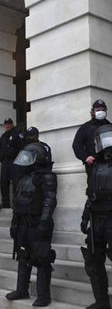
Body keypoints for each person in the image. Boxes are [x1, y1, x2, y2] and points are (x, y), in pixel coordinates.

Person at [6, 142, 57, 307]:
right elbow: (17, 202)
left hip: (37, 224)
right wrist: (14, 223)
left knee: (42, 259)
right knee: (23, 257)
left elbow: (49, 201)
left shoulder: (47, 177)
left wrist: (44, 222)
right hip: (23, 224)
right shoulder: (24, 178)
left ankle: (44, 295)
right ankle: (22, 290)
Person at [80, 124, 112, 309]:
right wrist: (85, 217)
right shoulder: (95, 167)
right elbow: (90, 194)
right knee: (93, 263)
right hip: (96, 219)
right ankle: (101, 302)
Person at [72, 99, 110, 181]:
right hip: (94, 165)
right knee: (94, 191)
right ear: (93, 112)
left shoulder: (110, 126)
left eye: (103, 110)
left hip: (110, 163)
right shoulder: (85, 127)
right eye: (98, 110)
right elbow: (77, 145)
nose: (101, 112)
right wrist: (86, 157)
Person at [0, 117, 23, 209]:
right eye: (6, 124)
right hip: (5, 161)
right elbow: (0, 149)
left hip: (15, 161)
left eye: (9, 124)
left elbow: (21, 147)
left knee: (16, 182)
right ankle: (5, 203)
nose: (7, 125)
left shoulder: (17, 134)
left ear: (12, 124)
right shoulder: (3, 136)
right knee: (3, 182)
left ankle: (16, 203)